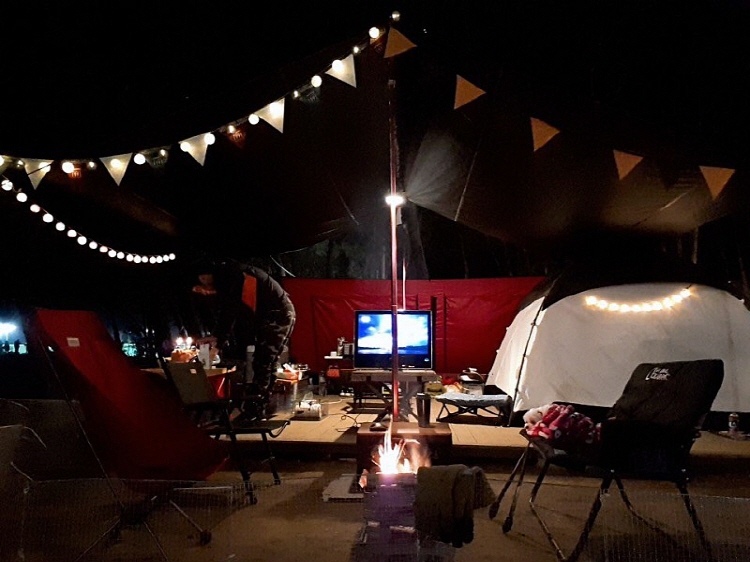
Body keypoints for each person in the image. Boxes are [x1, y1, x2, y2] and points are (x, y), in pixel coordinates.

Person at [190, 258, 296, 419]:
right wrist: (217, 336)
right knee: (265, 360)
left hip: (277, 313)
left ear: (207, 275)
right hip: (267, 315)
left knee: (264, 359)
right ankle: (260, 406)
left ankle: (257, 407)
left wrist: (218, 343)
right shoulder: (231, 278)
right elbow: (228, 313)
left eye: (203, 283)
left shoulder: (233, 276)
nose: (204, 289)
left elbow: (229, 311)